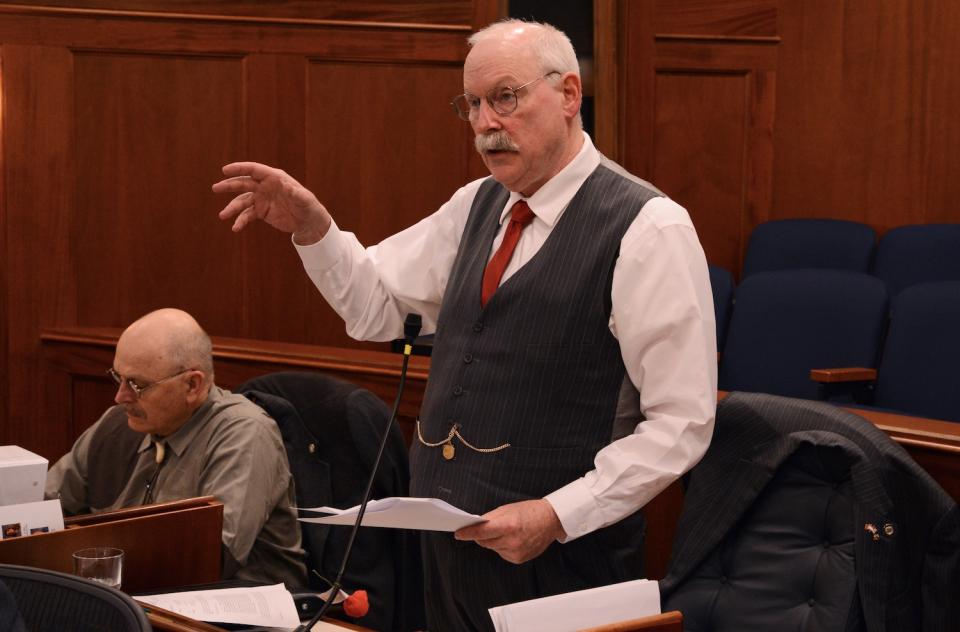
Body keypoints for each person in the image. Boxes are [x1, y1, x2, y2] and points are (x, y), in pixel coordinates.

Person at [213, 19, 716, 630]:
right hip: (448, 556)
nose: (484, 123)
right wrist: (313, 228)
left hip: (564, 563)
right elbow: (375, 307)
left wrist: (557, 515)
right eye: (472, 104)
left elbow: (681, 422)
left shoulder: (649, 227)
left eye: (505, 97)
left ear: (568, 95)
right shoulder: (475, 205)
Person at [45, 308, 308, 588]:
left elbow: (210, 558)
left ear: (192, 385)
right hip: (135, 597)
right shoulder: (117, 424)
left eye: (137, 384)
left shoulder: (244, 433)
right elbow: (44, 506)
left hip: (237, 611)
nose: (120, 396)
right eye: (117, 377)